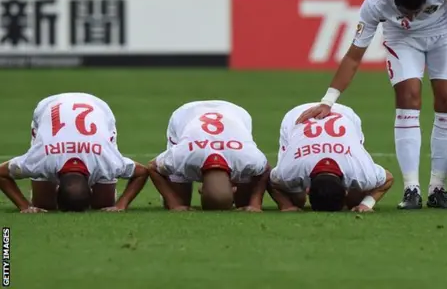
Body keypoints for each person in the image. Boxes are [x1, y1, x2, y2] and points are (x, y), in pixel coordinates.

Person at [296, 0, 447, 210]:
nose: (411, 17)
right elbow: (354, 56)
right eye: (404, 12)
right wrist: (328, 100)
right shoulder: (376, 1)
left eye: (416, 11)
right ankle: (411, 189)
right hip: (402, 38)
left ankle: (438, 188)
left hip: (445, 33)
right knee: (408, 98)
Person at [0, 93, 148, 213]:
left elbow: (142, 172)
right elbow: (142, 171)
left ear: (57, 188)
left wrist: (25, 207)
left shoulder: (107, 162)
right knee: (44, 204)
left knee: (103, 203)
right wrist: (24, 206)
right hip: (48, 107)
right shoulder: (41, 160)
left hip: (100, 109)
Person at [148, 101, 270, 211]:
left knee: (243, 204)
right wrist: (174, 204)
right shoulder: (182, 158)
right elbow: (153, 167)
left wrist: (254, 204)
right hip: (185, 115)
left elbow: (265, 168)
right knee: (179, 203)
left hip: (234, 114)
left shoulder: (247, 160)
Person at [270, 103, 394, 212]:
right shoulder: (362, 172)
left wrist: (286, 206)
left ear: (308, 190)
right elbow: (388, 178)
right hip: (296, 117)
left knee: (297, 200)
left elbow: (271, 180)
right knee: (298, 201)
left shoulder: (288, 171)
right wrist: (366, 204)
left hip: (342, 114)